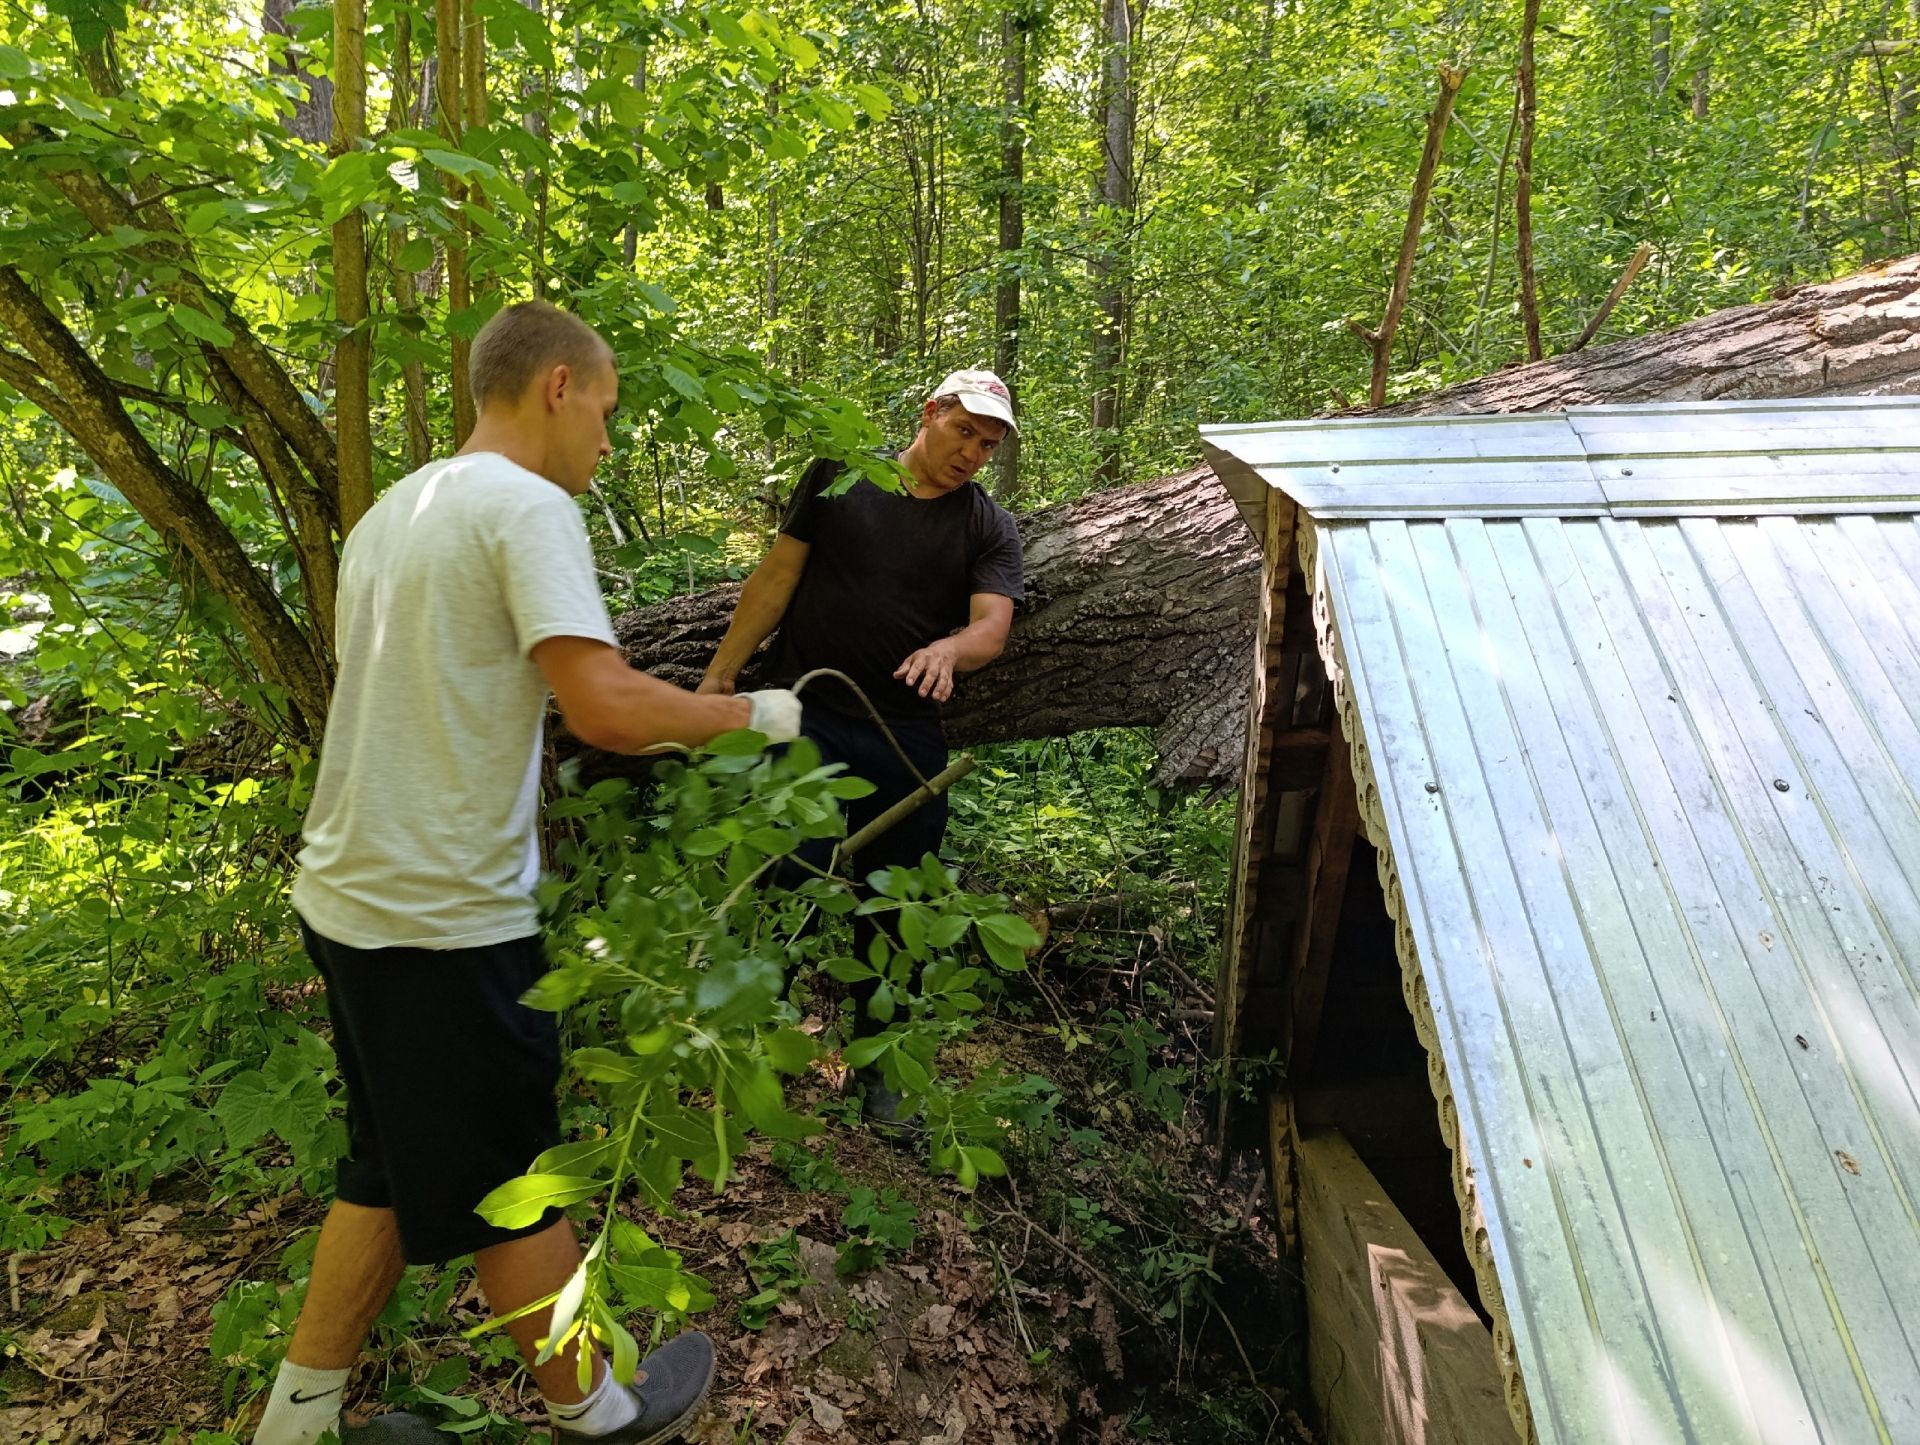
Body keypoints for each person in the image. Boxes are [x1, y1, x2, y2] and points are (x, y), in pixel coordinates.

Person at [254, 301, 801, 1445]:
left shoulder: (392, 513)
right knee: (515, 1169)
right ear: (556, 387)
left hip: (346, 896)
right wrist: (753, 713)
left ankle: (296, 1419)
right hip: (439, 913)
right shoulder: (527, 506)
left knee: (389, 1159)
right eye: (604, 413)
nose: (607, 443)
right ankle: (602, 1412)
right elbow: (602, 708)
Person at [697, 369, 1024, 1123]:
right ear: (930, 413)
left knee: (899, 905)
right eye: (964, 431)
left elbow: (992, 625)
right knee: (785, 885)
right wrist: (720, 674)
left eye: (988, 443)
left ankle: (883, 1069)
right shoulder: (841, 477)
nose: (973, 452)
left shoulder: (987, 526)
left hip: (902, 737)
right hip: (800, 713)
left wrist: (950, 649)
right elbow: (776, 577)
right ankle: (753, 1055)